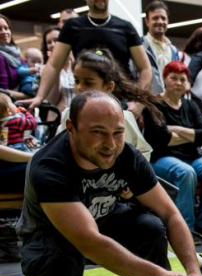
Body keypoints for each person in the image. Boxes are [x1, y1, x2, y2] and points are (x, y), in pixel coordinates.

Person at [16, 90, 202, 276]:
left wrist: (194, 270)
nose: (110, 144)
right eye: (98, 132)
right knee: (55, 262)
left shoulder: (126, 155)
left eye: (117, 132)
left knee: (151, 227)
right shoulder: (49, 166)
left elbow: (170, 213)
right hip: (52, 234)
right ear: (71, 128)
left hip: (104, 218)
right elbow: (91, 243)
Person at [144, 61, 202, 243]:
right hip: (162, 158)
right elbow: (159, 138)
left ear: (187, 84)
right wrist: (190, 134)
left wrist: (175, 130)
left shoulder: (190, 107)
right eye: (173, 78)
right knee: (186, 173)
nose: (178, 82)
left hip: (192, 157)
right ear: (164, 79)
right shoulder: (154, 105)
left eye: (182, 79)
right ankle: (185, 229)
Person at [25, 0, 153, 110]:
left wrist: (138, 103)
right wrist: (39, 97)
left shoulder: (126, 27)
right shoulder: (72, 26)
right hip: (85, 101)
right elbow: (53, 64)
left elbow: (145, 68)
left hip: (122, 103)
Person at [56, 49, 154, 161]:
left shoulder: (124, 117)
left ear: (108, 87)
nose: (79, 87)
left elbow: (143, 152)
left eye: (88, 82)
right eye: (77, 81)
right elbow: (56, 152)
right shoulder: (68, 115)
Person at [143, 1, 179, 95]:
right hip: (147, 102)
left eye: (163, 18)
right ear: (147, 21)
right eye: (155, 18)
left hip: (169, 102)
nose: (160, 22)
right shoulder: (140, 46)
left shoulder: (173, 50)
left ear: (167, 21)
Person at [41, 27, 74, 114]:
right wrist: (56, 68)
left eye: (56, 40)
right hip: (58, 118)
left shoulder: (78, 63)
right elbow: (53, 100)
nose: (52, 44)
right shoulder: (44, 69)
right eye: (49, 42)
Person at [0, 15, 26, 99]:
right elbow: (3, 92)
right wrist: (28, 96)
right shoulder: (0, 57)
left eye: (6, 28)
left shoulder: (17, 54)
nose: (4, 32)